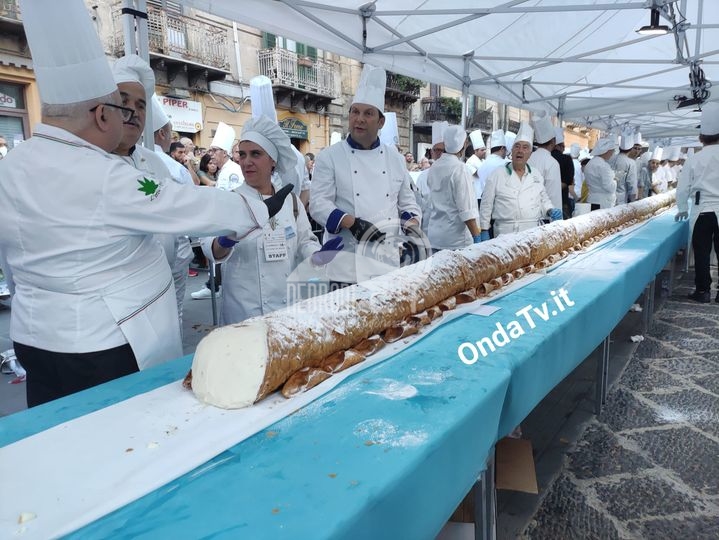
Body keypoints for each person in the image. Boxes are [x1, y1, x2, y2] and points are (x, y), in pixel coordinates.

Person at [0, 0, 293, 406]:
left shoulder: (14, 164)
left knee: (58, 441)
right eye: (123, 108)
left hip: (36, 337)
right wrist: (256, 209)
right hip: (99, 345)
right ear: (103, 115)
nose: (131, 119)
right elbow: (177, 203)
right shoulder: (100, 172)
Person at [202, 116, 332, 323]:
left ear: (273, 160)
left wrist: (318, 256)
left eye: (256, 154)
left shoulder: (291, 201)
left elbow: (305, 241)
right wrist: (226, 240)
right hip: (242, 310)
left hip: (285, 308)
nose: (246, 161)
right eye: (242, 155)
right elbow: (209, 248)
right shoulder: (230, 200)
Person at [310, 64, 420, 288]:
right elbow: (318, 204)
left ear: (381, 122)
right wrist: (352, 222)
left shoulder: (396, 160)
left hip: (386, 261)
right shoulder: (329, 157)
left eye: (368, 113)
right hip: (345, 263)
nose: (359, 119)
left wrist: (411, 224)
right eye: (355, 112)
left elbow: (407, 202)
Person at [479, 122, 561, 237]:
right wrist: (484, 229)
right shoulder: (497, 174)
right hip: (504, 234)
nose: (520, 150)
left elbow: (543, 199)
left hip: (532, 233)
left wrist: (550, 209)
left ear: (529, 153)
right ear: (512, 151)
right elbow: (486, 204)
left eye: (525, 147)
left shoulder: (536, 174)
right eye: (517, 146)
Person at [676, 102, 719, 303]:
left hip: (702, 210)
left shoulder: (695, 159)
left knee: (701, 253)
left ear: (701, 138)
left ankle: (703, 291)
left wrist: (682, 207)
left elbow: (683, 187)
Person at [426, 125, 481, 250]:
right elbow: (466, 209)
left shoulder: (434, 166)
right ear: (464, 144)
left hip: (435, 237)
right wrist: (477, 237)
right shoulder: (459, 168)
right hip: (455, 241)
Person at [584, 137, 618, 210]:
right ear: (606, 151)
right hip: (603, 203)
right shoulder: (603, 166)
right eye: (612, 151)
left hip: (592, 199)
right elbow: (610, 187)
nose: (612, 153)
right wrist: (615, 180)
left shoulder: (590, 163)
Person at [609, 129, 638, 205]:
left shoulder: (610, 158)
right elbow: (631, 184)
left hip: (607, 196)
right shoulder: (631, 163)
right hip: (620, 199)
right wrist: (633, 202)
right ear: (631, 149)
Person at [551, 127, 575, 218]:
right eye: (563, 146)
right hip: (562, 200)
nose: (564, 149)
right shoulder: (566, 159)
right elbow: (569, 180)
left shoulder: (546, 157)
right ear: (558, 145)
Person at [465, 129, 487, 210]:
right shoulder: (470, 161)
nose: (484, 152)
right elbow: (477, 174)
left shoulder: (484, 161)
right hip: (476, 195)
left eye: (485, 149)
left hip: (484, 195)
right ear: (476, 151)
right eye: (482, 150)